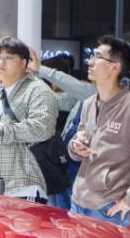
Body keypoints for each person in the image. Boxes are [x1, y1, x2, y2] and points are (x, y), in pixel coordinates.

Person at [68, 36, 130, 227]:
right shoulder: (89, 104)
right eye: (92, 56)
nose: (91, 61)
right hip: (78, 200)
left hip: (107, 208)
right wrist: (75, 146)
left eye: (98, 57)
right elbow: (78, 140)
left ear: (115, 67)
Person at [0, 37, 58, 202]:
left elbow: (43, 128)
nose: (0, 62)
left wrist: (1, 129)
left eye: (8, 57)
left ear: (24, 63)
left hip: (22, 187)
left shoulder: (38, 90)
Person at [30, 50, 95, 210]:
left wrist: (40, 70)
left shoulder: (96, 95)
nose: (91, 64)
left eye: (97, 59)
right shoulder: (77, 99)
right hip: (65, 161)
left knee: (72, 213)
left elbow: (74, 87)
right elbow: (53, 100)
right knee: (59, 211)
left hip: (81, 167)